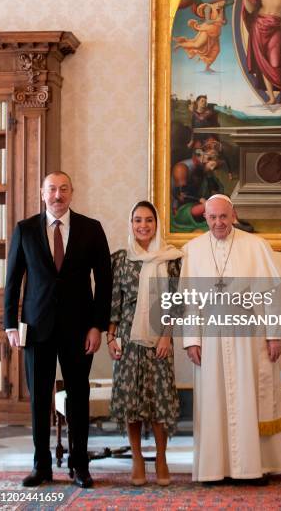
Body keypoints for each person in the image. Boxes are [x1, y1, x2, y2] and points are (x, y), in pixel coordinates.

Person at [4, 171, 112, 488]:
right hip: (37, 328)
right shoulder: (24, 230)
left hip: (80, 330)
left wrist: (98, 326)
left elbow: (104, 282)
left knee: (78, 396)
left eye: (64, 189)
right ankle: (41, 467)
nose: (58, 195)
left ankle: (80, 466)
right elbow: (12, 282)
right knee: (39, 398)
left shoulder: (91, 229)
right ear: (42, 193)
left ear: (72, 193)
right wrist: (10, 324)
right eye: (52, 189)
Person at [181, 194, 281, 482]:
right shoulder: (192, 250)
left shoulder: (256, 246)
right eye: (212, 217)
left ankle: (253, 468)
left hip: (249, 335)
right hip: (210, 336)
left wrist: (274, 335)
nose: (218, 222)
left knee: (249, 395)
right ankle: (215, 469)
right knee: (213, 399)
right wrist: (192, 339)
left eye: (223, 216)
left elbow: (270, 296)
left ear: (234, 215)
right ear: (205, 218)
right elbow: (189, 300)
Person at [107, 201, 182, 486]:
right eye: (137, 220)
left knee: (159, 402)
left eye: (148, 220)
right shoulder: (121, 259)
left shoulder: (171, 259)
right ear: (131, 223)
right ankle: (137, 459)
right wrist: (111, 337)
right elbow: (115, 302)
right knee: (132, 403)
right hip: (127, 340)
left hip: (159, 339)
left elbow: (174, 302)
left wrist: (166, 335)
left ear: (156, 223)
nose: (143, 226)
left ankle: (161, 458)